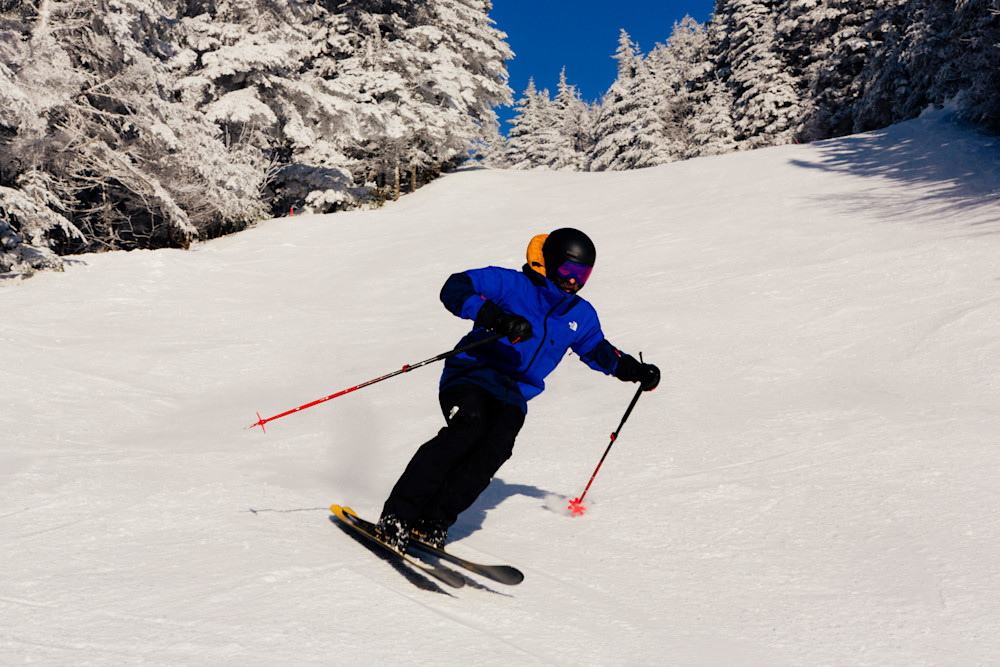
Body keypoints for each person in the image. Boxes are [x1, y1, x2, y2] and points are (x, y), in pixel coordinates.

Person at [374, 228, 660, 552]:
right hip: (471, 373)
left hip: (513, 395)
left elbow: (597, 350)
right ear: (551, 263)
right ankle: (398, 516)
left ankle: (433, 523)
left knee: (493, 450)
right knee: (467, 431)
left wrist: (634, 370)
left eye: (583, 275)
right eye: (568, 272)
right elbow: (455, 287)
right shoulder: (512, 285)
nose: (573, 282)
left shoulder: (580, 314)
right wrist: (497, 318)